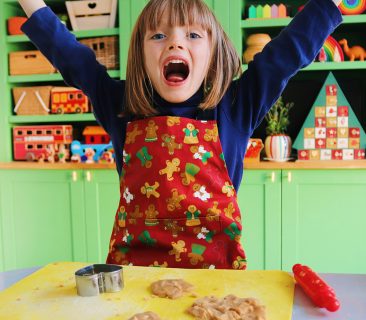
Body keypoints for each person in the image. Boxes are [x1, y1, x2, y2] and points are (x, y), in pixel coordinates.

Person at [18, 0, 342, 269]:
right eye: (158, 35)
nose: (175, 42)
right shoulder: (120, 105)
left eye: (193, 35)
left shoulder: (235, 106)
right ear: (141, 55)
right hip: (134, 278)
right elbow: (70, 54)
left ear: (213, 53)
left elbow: (285, 54)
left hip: (217, 280)